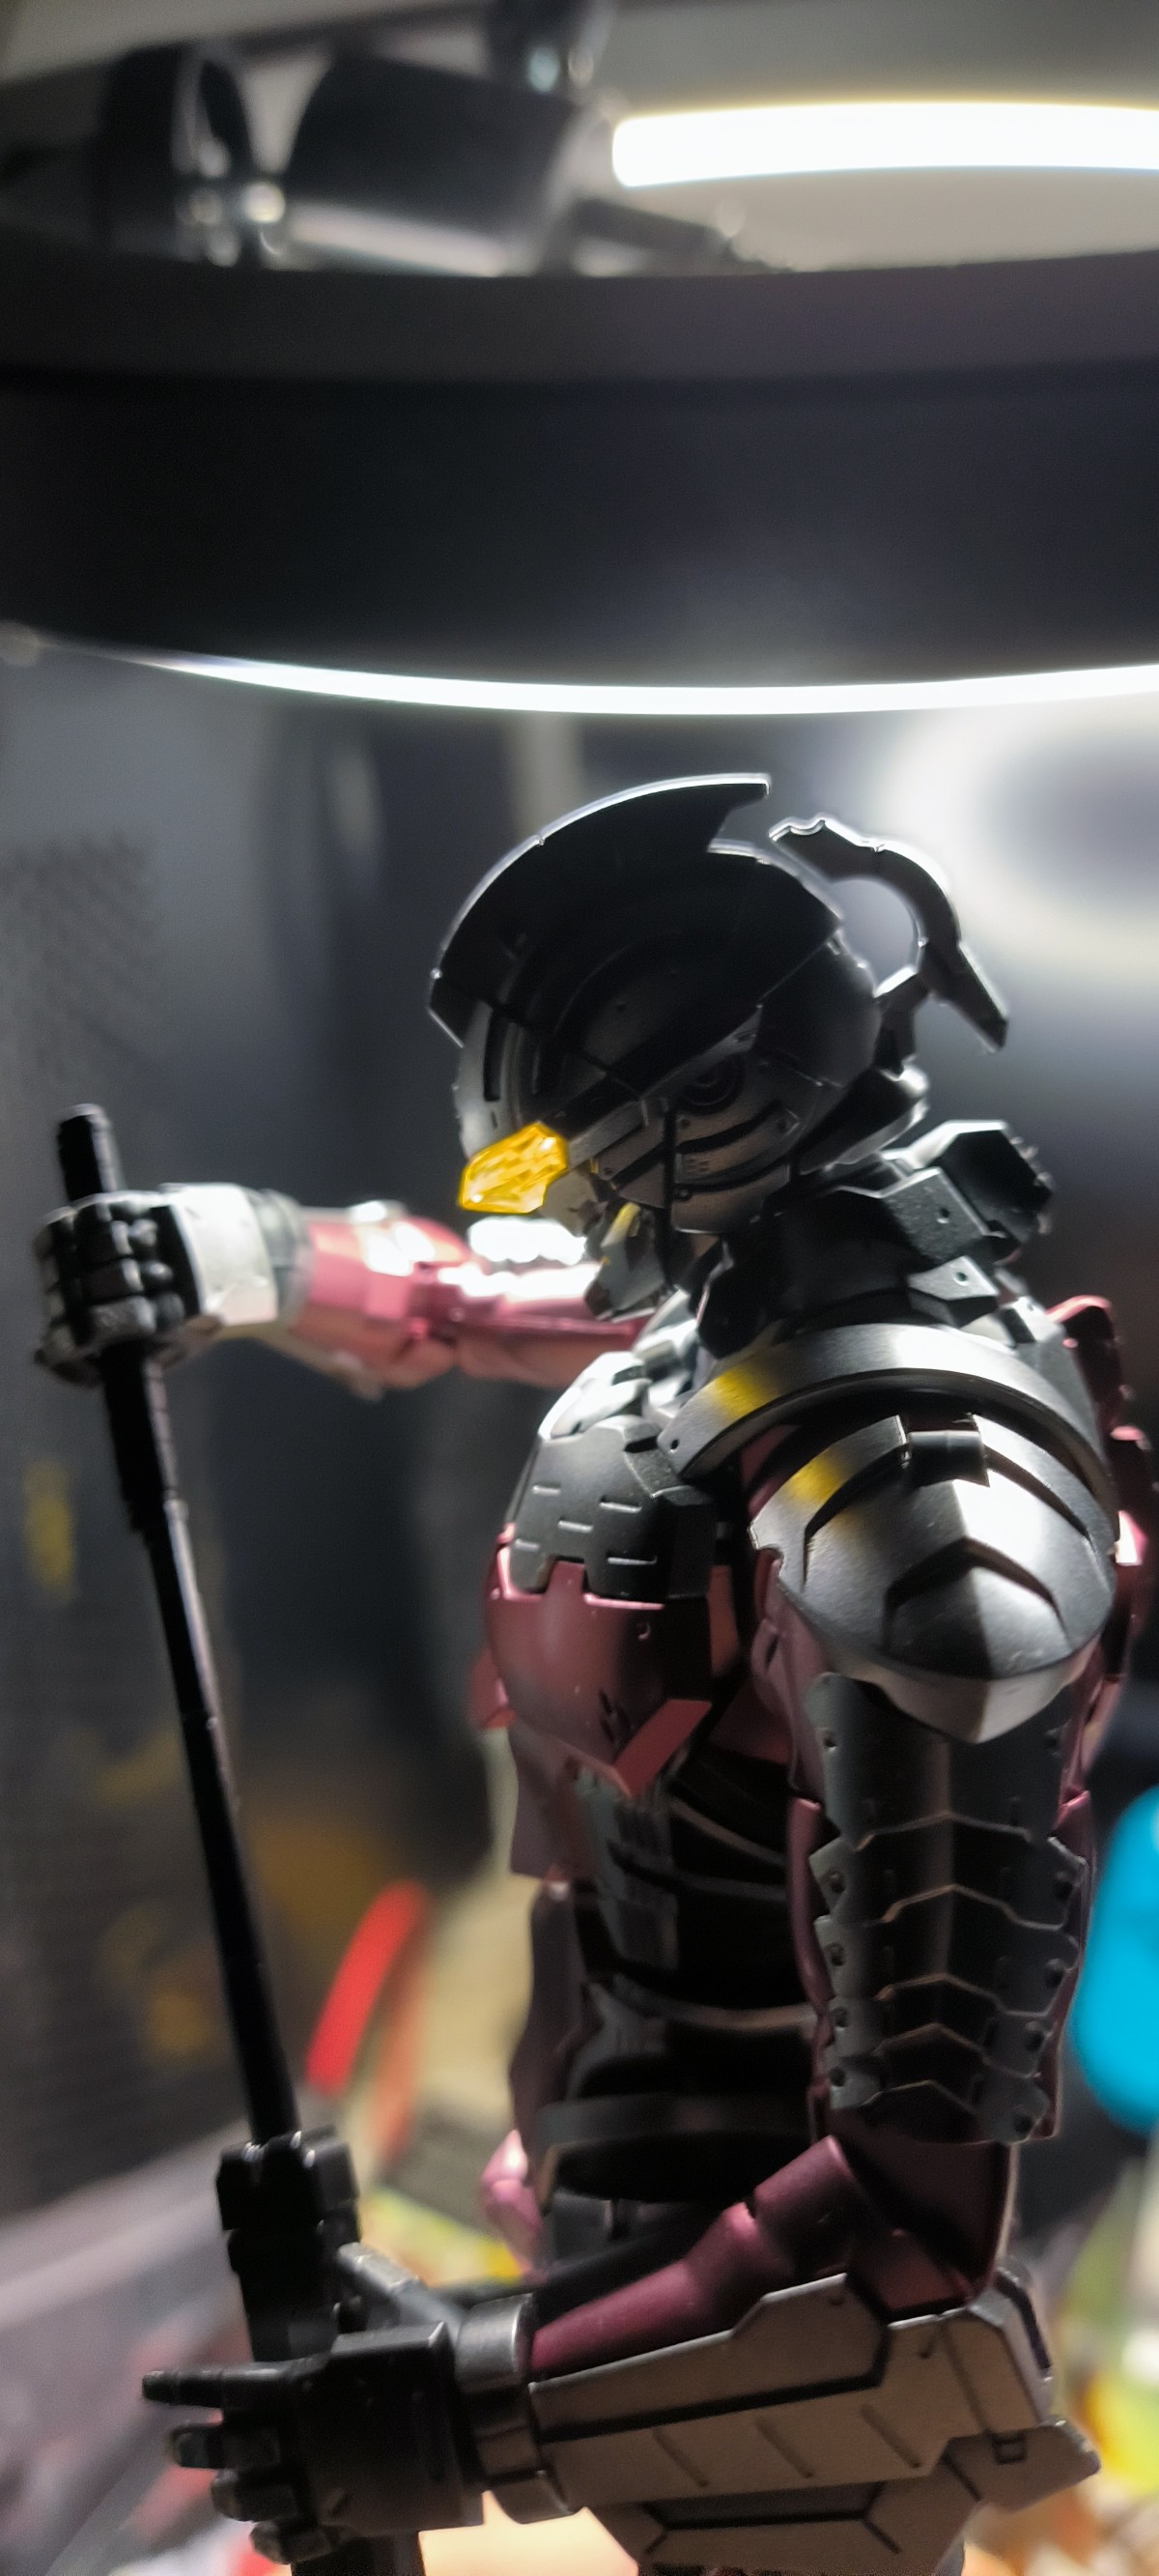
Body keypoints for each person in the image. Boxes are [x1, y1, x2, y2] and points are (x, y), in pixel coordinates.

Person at [35, 778, 1153, 2576]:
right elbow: (486, 1290)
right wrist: (231, 1254)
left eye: (564, 1155)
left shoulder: (927, 1514)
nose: (547, 1207)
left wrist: (463, 2406)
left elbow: (910, 2248)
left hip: (774, 2364)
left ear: (708, 1120)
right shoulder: (737, 1311)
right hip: (605, 2248)